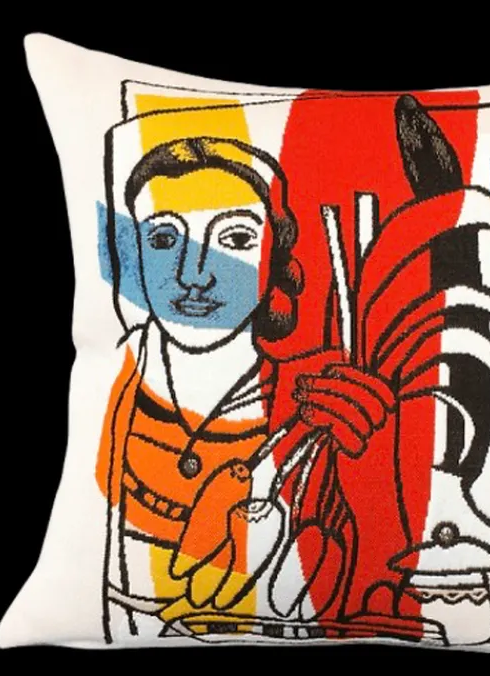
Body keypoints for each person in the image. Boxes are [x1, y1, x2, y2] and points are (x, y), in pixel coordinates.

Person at [96, 136, 393, 642]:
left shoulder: (311, 405)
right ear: (132, 254)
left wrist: (376, 467)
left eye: (235, 239)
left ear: (274, 258)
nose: (195, 276)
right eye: (164, 239)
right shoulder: (116, 383)